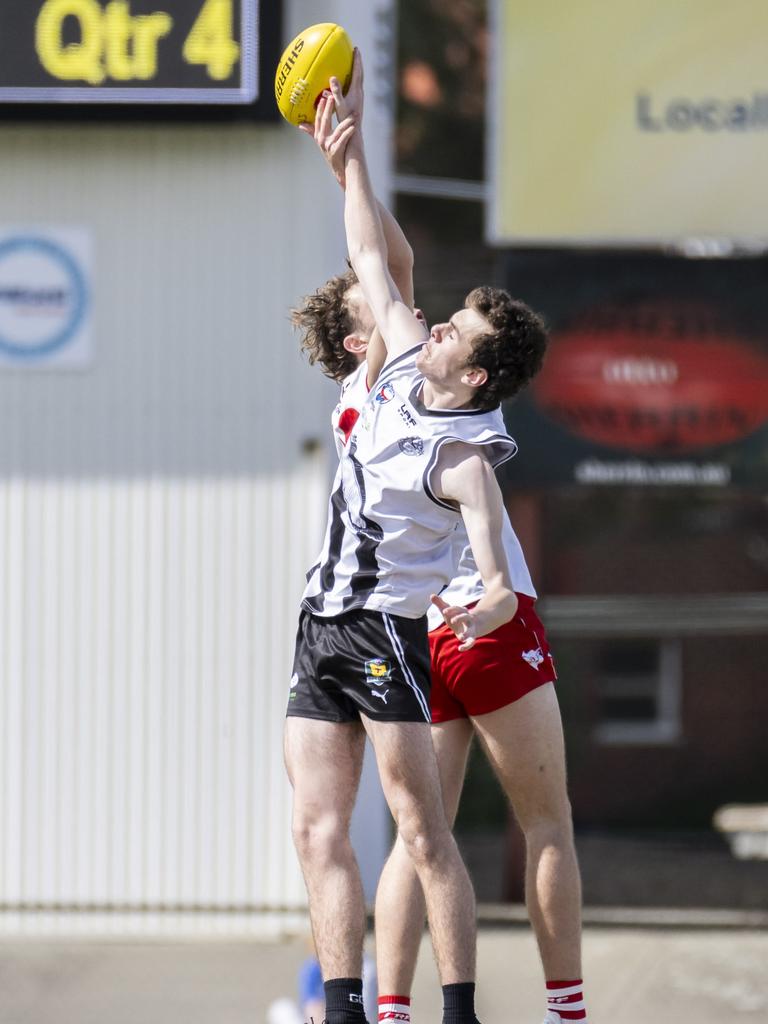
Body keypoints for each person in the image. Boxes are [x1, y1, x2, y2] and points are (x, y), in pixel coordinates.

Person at [297, 58, 588, 1024]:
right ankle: (402, 1008)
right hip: (403, 622)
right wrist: (349, 164)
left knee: (431, 832)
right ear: (357, 345)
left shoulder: (458, 438)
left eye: (450, 326)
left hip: (433, 615)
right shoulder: (383, 377)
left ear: (473, 368)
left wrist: (354, 158)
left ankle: (437, 1006)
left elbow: (387, 269)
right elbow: (380, 268)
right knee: (452, 829)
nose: (428, 323)